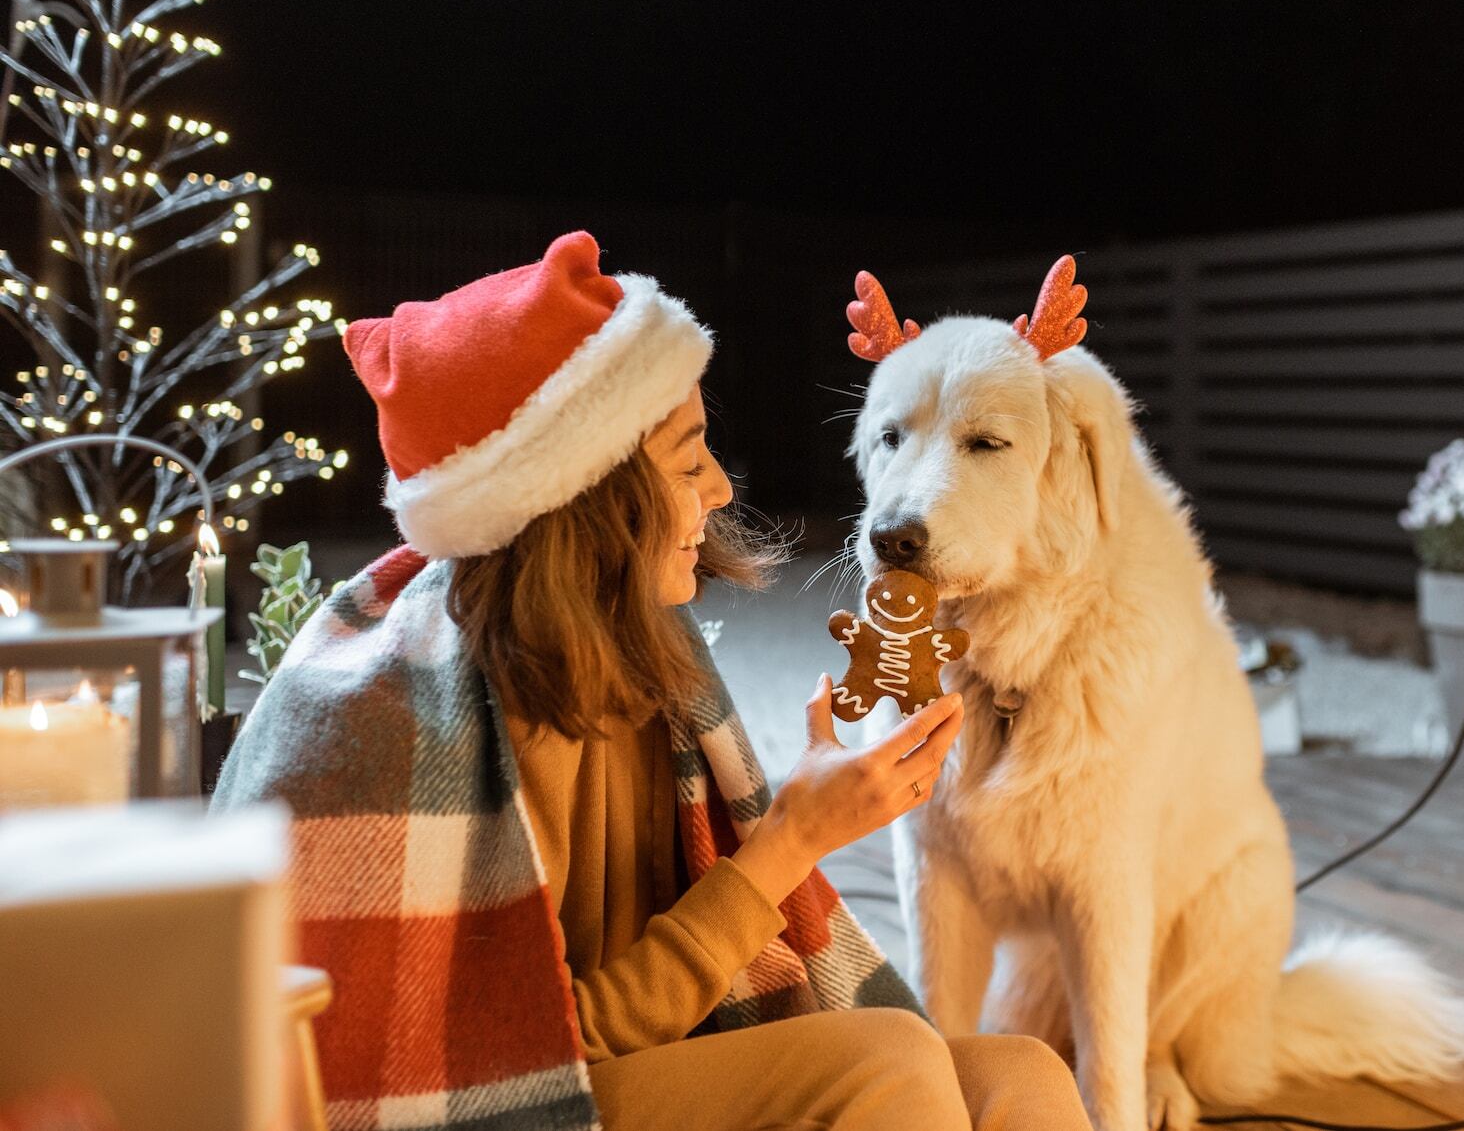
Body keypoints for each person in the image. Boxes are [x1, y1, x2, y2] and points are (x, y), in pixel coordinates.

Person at [213, 232, 1092, 1131]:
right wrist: (787, 844)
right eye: (685, 461)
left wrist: (812, 813)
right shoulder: (400, 722)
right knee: (887, 1061)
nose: (717, 489)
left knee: (1018, 1075)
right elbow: (522, 1062)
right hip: (503, 1109)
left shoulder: (640, 656)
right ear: (587, 500)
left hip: (634, 1068)